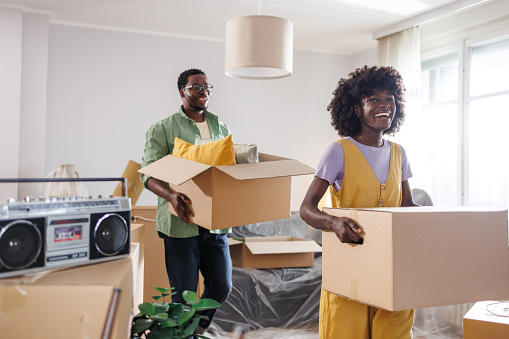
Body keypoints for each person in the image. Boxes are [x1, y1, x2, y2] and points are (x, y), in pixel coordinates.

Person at [299, 65, 419, 339]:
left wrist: (434, 222)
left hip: (391, 265)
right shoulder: (338, 151)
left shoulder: (399, 153)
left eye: (390, 98)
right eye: (373, 99)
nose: (384, 105)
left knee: (394, 332)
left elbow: (407, 206)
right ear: (356, 108)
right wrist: (333, 222)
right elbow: (307, 208)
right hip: (350, 264)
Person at [140, 68, 232, 334]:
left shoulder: (221, 127)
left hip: (215, 224)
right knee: (183, 295)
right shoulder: (162, 128)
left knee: (221, 286)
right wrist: (170, 195)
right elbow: (148, 174)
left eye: (207, 87)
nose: (203, 92)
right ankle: (185, 333)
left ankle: (194, 330)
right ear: (183, 92)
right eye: (196, 87)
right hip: (181, 223)